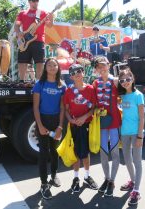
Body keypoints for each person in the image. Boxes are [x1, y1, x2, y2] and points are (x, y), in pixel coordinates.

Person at [33, 58, 66, 200]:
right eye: (49, 65)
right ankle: (44, 184)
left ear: (58, 68)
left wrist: (60, 127)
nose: (52, 67)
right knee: (43, 152)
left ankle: (54, 175)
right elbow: (35, 107)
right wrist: (40, 125)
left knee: (54, 150)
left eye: (55, 65)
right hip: (43, 119)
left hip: (56, 121)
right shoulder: (39, 84)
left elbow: (62, 108)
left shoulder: (62, 86)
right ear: (45, 68)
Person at [64, 64, 99, 193]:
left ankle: (87, 176)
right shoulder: (69, 91)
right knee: (75, 152)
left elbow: (94, 108)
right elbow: (67, 110)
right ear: (71, 77)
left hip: (86, 124)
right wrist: (71, 119)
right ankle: (76, 178)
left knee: (85, 152)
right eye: (73, 72)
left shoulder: (90, 89)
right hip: (73, 125)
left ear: (83, 72)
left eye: (79, 71)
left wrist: (84, 117)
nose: (77, 73)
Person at [92, 56, 121, 197]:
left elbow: (129, 92)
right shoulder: (95, 83)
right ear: (97, 69)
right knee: (103, 153)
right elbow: (93, 103)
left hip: (114, 122)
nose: (102, 68)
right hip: (102, 123)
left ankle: (112, 181)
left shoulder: (115, 81)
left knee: (115, 153)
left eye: (105, 65)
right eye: (99, 66)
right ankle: (106, 178)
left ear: (109, 66)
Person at [117, 68, 145, 206]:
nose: (125, 82)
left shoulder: (138, 95)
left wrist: (140, 136)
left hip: (136, 133)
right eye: (122, 80)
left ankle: (137, 191)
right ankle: (132, 182)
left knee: (137, 161)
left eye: (128, 79)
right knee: (127, 159)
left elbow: (142, 116)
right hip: (125, 132)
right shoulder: (122, 96)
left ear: (133, 79)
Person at [15, 0, 53, 81]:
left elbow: (50, 25)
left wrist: (51, 18)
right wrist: (18, 32)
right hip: (25, 40)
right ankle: (22, 81)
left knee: (39, 62)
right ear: (29, 2)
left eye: (37, 0)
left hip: (38, 40)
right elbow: (16, 25)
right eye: (34, 1)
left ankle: (38, 81)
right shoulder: (22, 13)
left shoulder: (43, 13)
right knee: (22, 61)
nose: (36, 2)